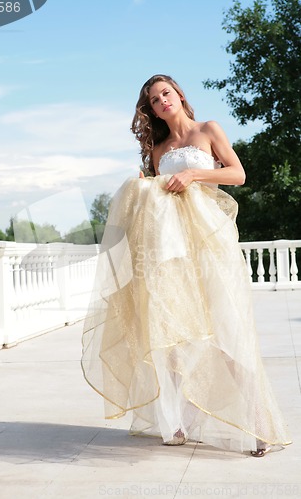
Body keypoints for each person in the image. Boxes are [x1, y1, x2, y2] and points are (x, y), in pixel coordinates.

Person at [81, 74, 292, 457]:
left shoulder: (208, 129)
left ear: (179, 94)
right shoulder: (159, 150)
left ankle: (260, 425)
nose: (162, 101)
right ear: (152, 109)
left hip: (209, 243)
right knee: (175, 337)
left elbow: (238, 174)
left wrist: (195, 173)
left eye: (166, 93)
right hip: (172, 249)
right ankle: (178, 422)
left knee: (228, 333)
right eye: (154, 99)